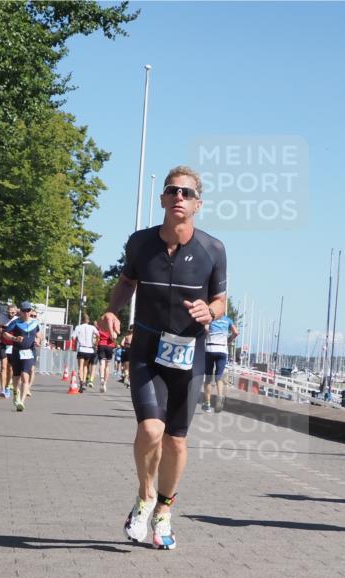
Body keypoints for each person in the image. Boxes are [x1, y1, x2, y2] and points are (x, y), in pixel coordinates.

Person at [99, 166, 227, 551]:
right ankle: (144, 496)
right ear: (162, 199)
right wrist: (112, 310)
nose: (178, 198)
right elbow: (127, 282)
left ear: (198, 204)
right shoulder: (140, 243)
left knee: (176, 442)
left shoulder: (213, 249)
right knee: (151, 430)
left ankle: (166, 509)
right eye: (172, 191)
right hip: (147, 351)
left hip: (190, 355)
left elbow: (221, 299)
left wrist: (212, 312)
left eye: (186, 193)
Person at [3, 301, 43, 412]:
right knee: (16, 376)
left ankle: (21, 401)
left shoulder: (35, 323)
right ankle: (15, 392)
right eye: (24, 311)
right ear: (20, 311)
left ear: (31, 311)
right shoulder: (15, 322)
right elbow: (5, 333)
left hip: (29, 353)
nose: (26, 313)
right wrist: (15, 338)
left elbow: (39, 335)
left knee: (25, 376)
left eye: (28, 310)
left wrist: (38, 341)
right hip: (16, 352)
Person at [202, 314, 238, 413]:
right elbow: (236, 332)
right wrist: (228, 341)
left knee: (208, 378)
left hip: (210, 349)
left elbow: (205, 330)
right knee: (219, 377)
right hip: (222, 350)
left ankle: (207, 404)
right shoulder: (228, 320)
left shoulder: (210, 318)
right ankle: (220, 395)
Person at [0, 304, 19, 398]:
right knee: (3, 366)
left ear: (16, 312)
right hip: (3, 345)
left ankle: (7, 387)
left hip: (13, 346)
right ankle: (2, 389)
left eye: (13, 312)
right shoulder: (2, 318)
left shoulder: (17, 320)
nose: (11, 314)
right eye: (9, 312)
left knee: (10, 369)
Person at [72, 313, 99, 393]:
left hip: (81, 348)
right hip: (90, 350)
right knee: (85, 366)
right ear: (88, 320)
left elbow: (73, 337)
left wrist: (74, 346)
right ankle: (83, 381)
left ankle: (81, 382)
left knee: (80, 366)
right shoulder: (92, 327)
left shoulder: (78, 327)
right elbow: (98, 334)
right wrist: (96, 343)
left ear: (82, 320)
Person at [96, 320, 116, 392]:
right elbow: (114, 337)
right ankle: (105, 383)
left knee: (102, 363)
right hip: (110, 346)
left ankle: (101, 378)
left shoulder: (100, 327)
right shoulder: (112, 327)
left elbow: (97, 337)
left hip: (101, 345)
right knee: (107, 366)